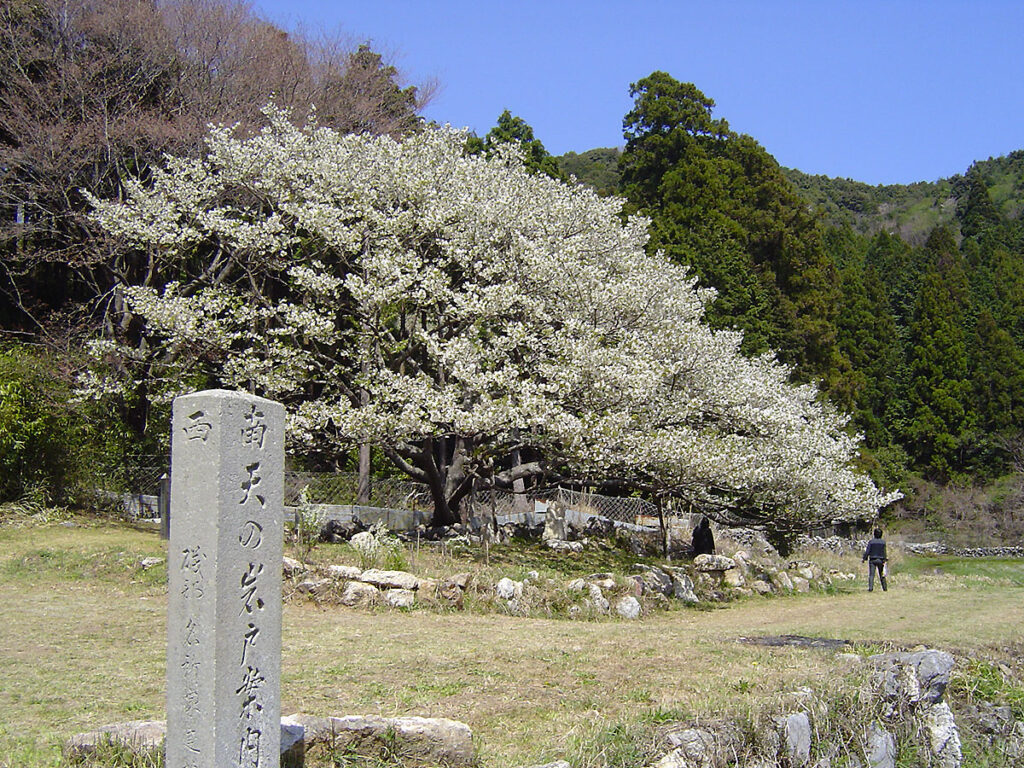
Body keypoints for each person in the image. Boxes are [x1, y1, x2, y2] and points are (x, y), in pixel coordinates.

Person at [862, 528, 888, 592]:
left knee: (871, 575)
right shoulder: (883, 542)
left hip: (872, 560)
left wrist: (864, 558)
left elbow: (868, 551)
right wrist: (885, 559)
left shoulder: (871, 542)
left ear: (874, 534)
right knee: (882, 574)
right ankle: (884, 588)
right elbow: (884, 552)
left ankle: (870, 588)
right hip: (881, 560)